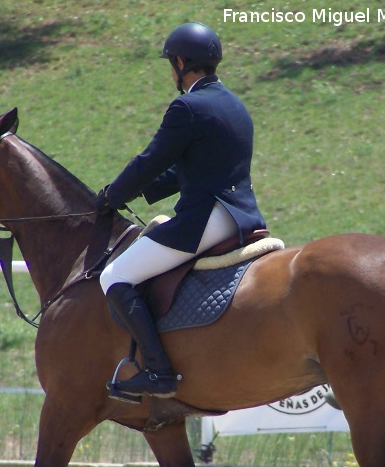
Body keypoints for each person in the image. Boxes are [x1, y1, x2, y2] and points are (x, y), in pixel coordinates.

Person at [96, 21, 268, 401]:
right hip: (241, 216)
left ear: (179, 61)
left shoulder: (187, 106)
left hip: (205, 217)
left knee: (115, 276)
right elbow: (196, 165)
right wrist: (144, 193)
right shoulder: (234, 104)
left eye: (170, 65)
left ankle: (159, 372)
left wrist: (112, 195)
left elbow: (151, 160)